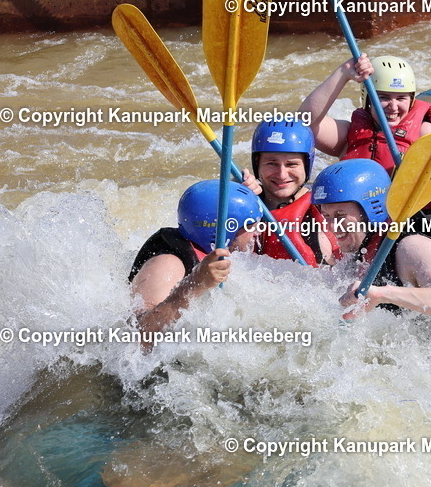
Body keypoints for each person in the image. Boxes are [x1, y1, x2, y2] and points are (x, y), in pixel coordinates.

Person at [310, 158, 431, 320]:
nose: (332, 226)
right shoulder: (360, 246)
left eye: (340, 215)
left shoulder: (412, 246)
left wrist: (383, 294)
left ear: (371, 209)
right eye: (327, 216)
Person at [129, 180, 260, 333]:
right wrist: (196, 283)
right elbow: (138, 333)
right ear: (224, 229)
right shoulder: (167, 263)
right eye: (251, 226)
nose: (258, 232)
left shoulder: (227, 250)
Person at [298, 55, 431, 173]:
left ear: (412, 100)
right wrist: (343, 73)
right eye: (383, 97)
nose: (393, 106)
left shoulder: (424, 132)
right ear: (368, 99)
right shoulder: (349, 134)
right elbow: (304, 122)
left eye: (401, 98)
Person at [240, 119, 340, 266]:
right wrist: (238, 199)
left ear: (307, 165)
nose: (281, 174)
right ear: (257, 164)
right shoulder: (242, 201)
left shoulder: (325, 208)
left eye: (291, 164)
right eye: (271, 163)